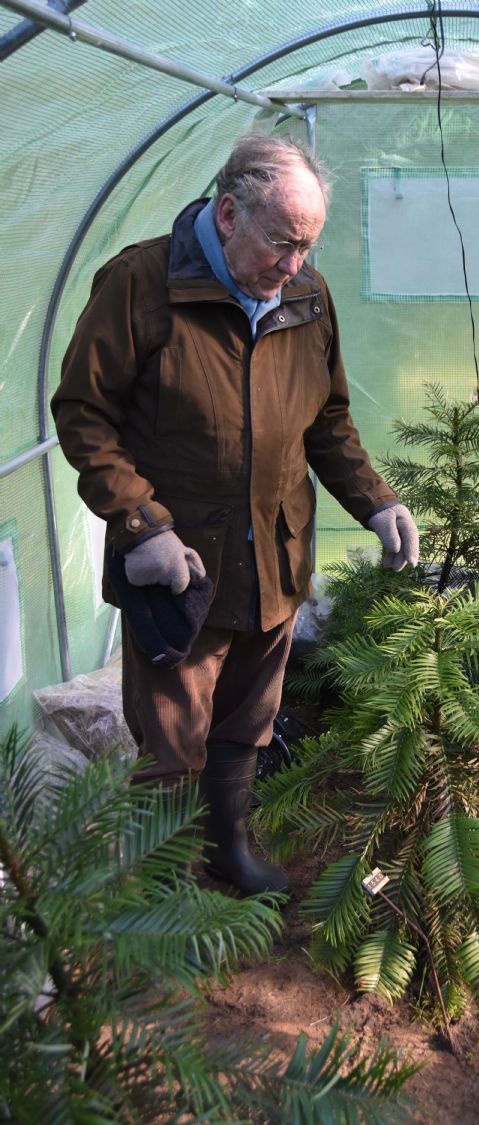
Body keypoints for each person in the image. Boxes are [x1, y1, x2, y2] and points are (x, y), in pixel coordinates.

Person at [51, 131, 419, 897]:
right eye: (282, 244)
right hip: (179, 569)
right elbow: (85, 416)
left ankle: (230, 851)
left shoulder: (307, 298)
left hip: (274, 561)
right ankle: (164, 899)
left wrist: (376, 501)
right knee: (172, 748)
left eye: (306, 246)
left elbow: (328, 422)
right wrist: (140, 525)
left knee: (247, 721)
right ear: (227, 214)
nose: (293, 267)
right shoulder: (139, 285)